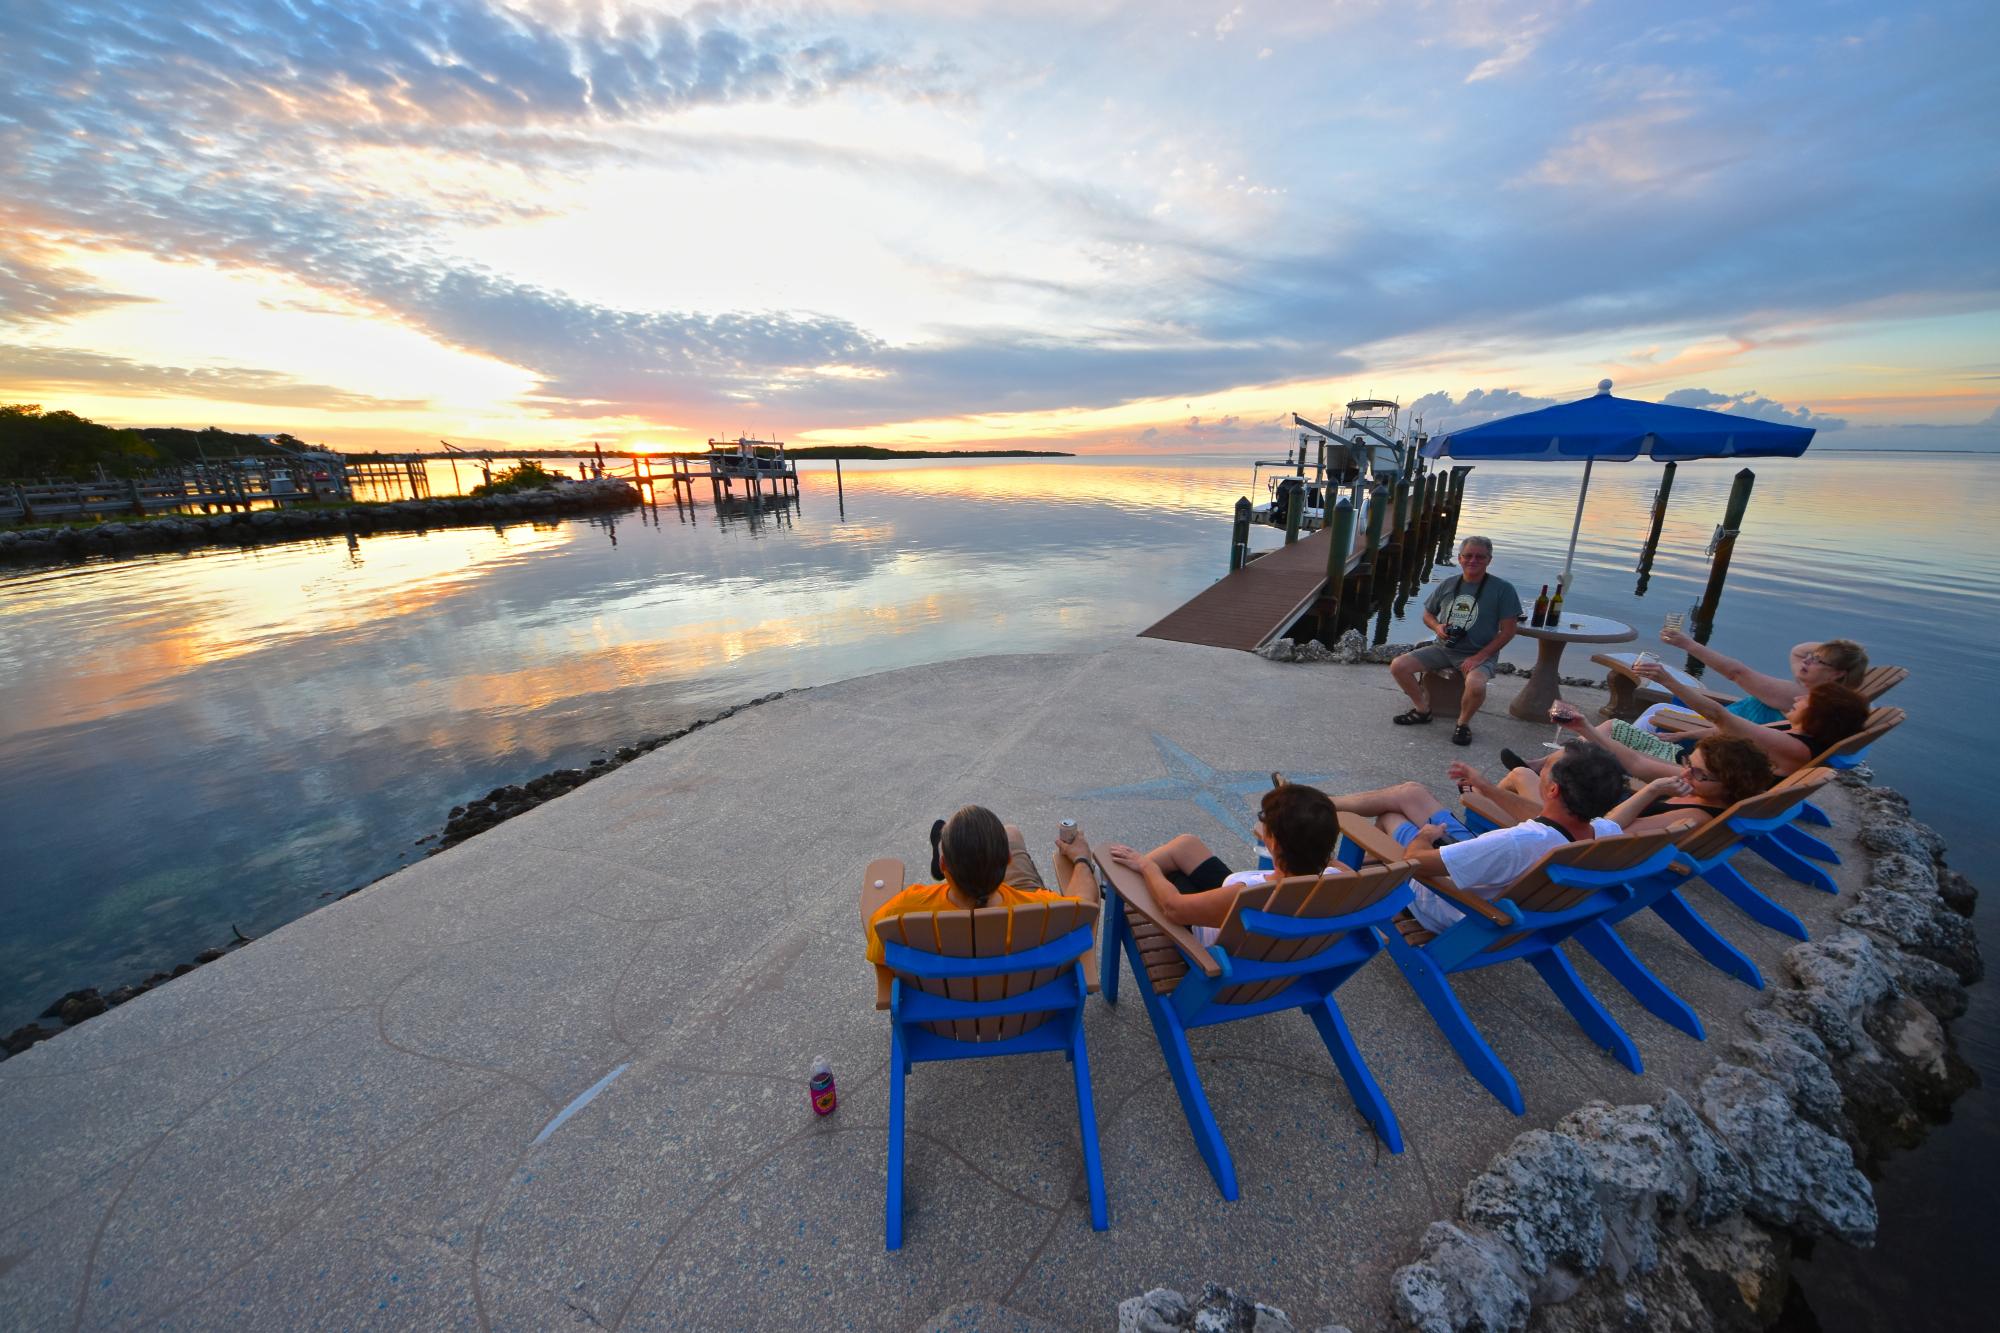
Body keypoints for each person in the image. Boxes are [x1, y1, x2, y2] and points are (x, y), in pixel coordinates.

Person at [1331, 742, 1632, 933]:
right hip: (1484, 872)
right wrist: (1486, 788)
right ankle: (1319, 803)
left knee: (1389, 817)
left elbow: (1416, 861)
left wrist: (1424, 836)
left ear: (1553, 790)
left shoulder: (1516, 842)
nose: (1539, 770)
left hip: (1451, 902)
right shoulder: (1601, 831)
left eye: (1547, 767)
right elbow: (1543, 817)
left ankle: (1341, 869)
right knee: (1411, 793)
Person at [1102, 782, 1345, 943]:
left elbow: (1173, 908)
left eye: (1266, 825)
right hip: (1253, 929)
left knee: (1164, 876)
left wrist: (1148, 867)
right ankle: (1118, 883)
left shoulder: (1248, 894)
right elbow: (1314, 850)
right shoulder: (1340, 878)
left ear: (1277, 844)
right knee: (1187, 845)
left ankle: (1117, 888)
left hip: (1216, 946)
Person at [864, 805, 1096, 964]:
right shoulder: (1042, 911)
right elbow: (1085, 907)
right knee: (1011, 832)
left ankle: (944, 843)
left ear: (944, 866)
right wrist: (1082, 859)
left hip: (944, 1019)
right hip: (1023, 1014)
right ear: (1007, 861)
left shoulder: (904, 912)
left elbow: (879, 945)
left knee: (1009, 833)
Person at [1527, 673, 1870, 780]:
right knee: (1615, 726)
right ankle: (1544, 765)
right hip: (1687, 759)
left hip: (1690, 774)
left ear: (1819, 715)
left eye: (1808, 699)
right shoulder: (1792, 731)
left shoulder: (1795, 747)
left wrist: (1666, 679)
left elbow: (1722, 718)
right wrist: (1680, 735)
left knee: (1599, 747)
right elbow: (1724, 731)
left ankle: (1545, 771)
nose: (1798, 698)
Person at [1470, 734, 1774, 835]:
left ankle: (1477, 815)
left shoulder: (1694, 816)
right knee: (1556, 763)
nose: (1686, 775)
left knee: (1518, 778)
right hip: (1586, 816)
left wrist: (1652, 790)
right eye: (1688, 764)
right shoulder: (1701, 799)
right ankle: (1484, 799)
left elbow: (1609, 833)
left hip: (1571, 835)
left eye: (1698, 773)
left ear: (1730, 783)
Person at [1389, 535, 1522, 748]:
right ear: (1459, 558)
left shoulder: (1503, 589)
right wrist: (1437, 627)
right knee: (1399, 666)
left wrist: (1480, 657)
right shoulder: (1449, 584)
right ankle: (1422, 710)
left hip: (1479, 652)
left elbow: (1508, 631)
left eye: (1480, 557)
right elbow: (1427, 614)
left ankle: (1463, 724)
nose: (1473, 561)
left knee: (1476, 685)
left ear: (1489, 560)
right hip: (1444, 648)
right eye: (1468, 556)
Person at [1630, 630, 1869, 731]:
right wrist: (1837, 652)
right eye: (1811, 658)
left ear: (1838, 673)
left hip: (1722, 734)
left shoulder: (1796, 696)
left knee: (1654, 715)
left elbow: (1736, 673)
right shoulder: (1819, 690)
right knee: (1659, 709)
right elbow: (1798, 650)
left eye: (1817, 661)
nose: (1806, 661)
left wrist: (1688, 644)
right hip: (1728, 726)